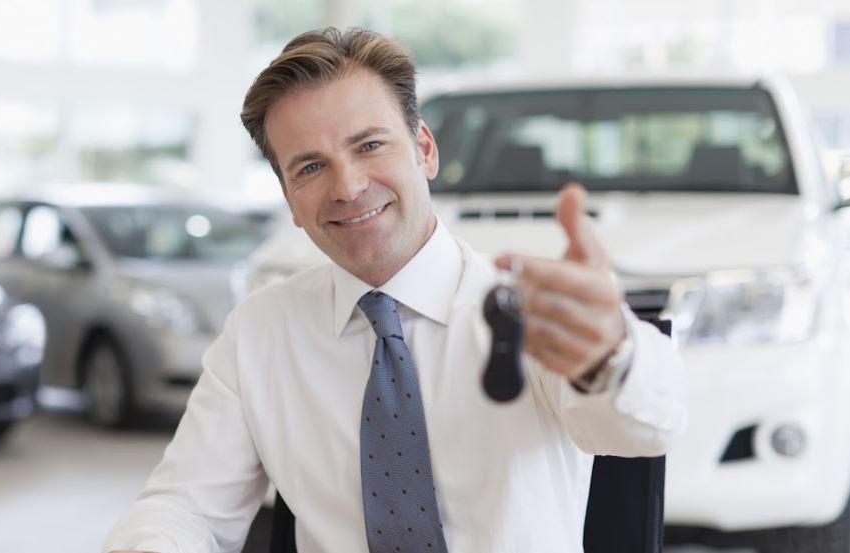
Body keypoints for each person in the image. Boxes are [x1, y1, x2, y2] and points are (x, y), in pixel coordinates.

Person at [104, 27, 686, 553]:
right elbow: (186, 507)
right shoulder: (260, 331)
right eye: (310, 167)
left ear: (424, 150)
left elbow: (643, 427)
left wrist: (610, 356)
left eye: (369, 145)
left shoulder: (523, 307)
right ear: (289, 203)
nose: (349, 186)